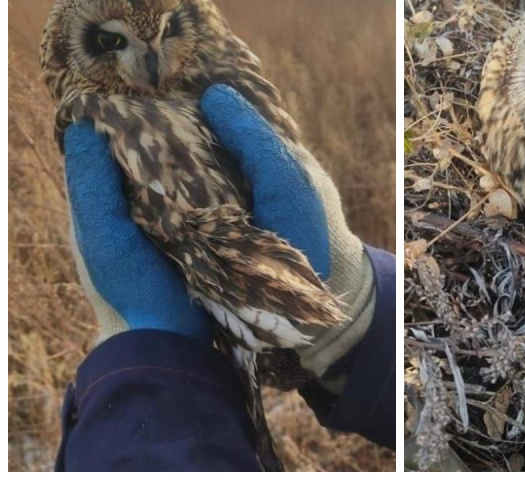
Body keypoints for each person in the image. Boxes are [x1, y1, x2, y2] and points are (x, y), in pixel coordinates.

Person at [55, 86, 396, 471]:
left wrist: (148, 367)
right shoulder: (100, 113)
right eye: (112, 42)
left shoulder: (206, 82)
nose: (144, 57)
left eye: (166, 33)